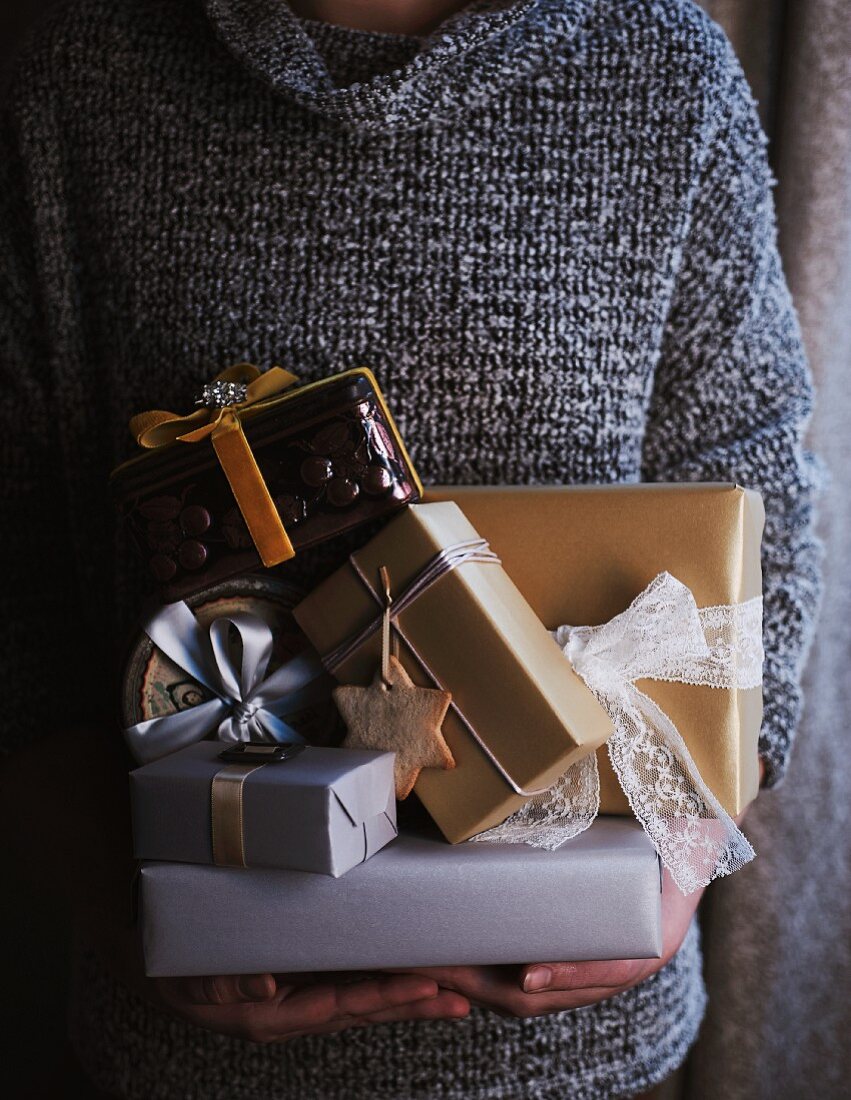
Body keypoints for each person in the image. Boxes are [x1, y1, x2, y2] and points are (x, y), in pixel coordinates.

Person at [0, 0, 821, 1097]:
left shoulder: (663, 67)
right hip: (177, 1046)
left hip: (580, 1048)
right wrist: (120, 908)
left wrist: (673, 875)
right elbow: (17, 546)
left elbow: (756, 479)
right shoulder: (77, 65)